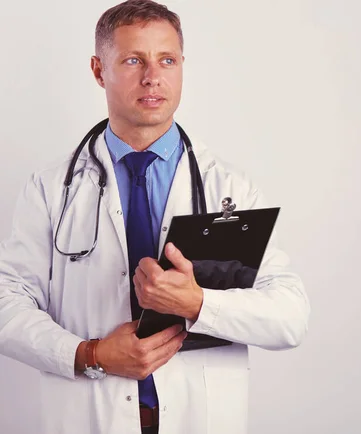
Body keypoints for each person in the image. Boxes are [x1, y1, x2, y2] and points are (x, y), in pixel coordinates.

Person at [0, 1, 310, 433]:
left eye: (167, 60)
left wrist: (198, 304)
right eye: (133, 60)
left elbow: (290, 317)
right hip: (92, 413)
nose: (153, 77)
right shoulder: (52, 188)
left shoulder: (231, 190)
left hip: (198, 417)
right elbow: (6, 302)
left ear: (182, 65)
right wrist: (90, 354)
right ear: (98, 70)